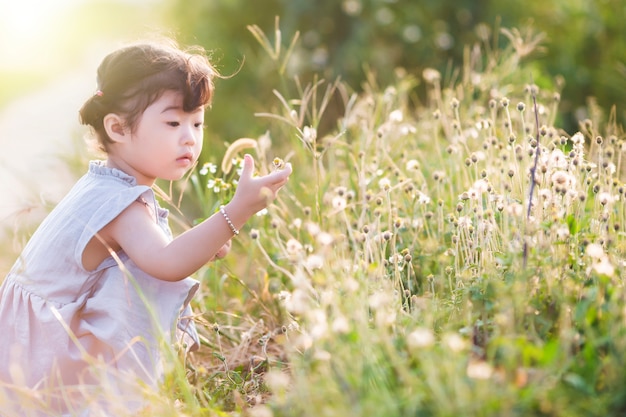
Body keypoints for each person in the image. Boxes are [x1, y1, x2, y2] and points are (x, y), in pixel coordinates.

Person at [0, 39, 292, 414]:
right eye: (172, 122)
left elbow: (152, 255)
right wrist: (236, 212)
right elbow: (167, 263)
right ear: (118, 128)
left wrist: (208, 240)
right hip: (46, 359)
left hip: (29, 345)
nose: (189, 137)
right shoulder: (118, 203)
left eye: (197, 122)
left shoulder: (106, 183)